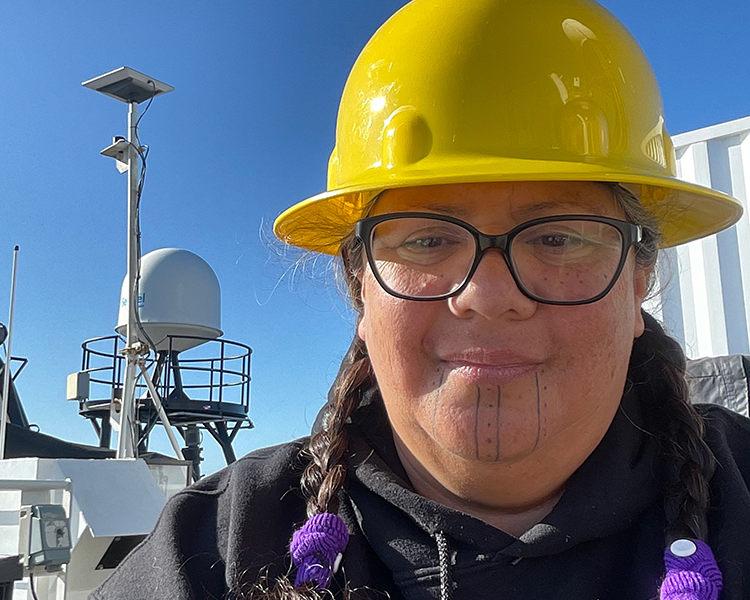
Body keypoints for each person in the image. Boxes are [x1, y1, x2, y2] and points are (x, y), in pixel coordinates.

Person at [91, 0, 750, 598]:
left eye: (559, 238)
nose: (488, 297)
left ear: (639, 281)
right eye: (428, 241)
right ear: (359, 286)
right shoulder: (215, 550)